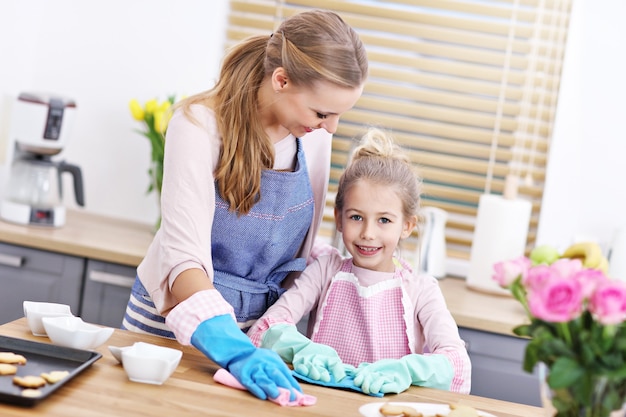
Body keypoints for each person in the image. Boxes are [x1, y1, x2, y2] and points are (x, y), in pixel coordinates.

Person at [121, 9, 368, 402]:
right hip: (173, 329)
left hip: (257, 340)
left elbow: (297, 247)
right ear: (282, 79)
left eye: (338, 115)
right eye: (323, 113)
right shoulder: (199, 124)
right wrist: (232, 349)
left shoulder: (315, 138)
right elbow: (183, 259)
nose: (332, 127)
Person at [247, 127, 472, 395]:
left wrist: (408, 370)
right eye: (356, 217)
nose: (368, 233)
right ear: (339, 218)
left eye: (384, 220)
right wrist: (301, 348)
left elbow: (457, 364)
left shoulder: (422, 290)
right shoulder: (324, 271)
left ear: (407, 226)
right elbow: (266, 327)